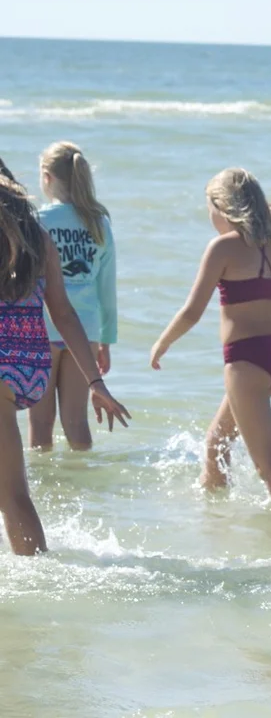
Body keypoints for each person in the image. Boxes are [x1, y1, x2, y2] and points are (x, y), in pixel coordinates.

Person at [150, 168, 271, 504]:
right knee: (216, 444)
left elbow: (192, 311)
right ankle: (217, 520)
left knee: (269, 467)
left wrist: (162, 343)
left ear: (222, 207)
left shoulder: (222, 248)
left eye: (210, 208)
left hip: (245, 363)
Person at [0, 169, 130, 555]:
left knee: (12, 495)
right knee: (13, 493)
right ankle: (35, 572)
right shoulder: (38, 239)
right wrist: (96, 382)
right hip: (29, 370)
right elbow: (64, 314)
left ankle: (39, 577)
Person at [28, 141, 118, 451]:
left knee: (41, 423)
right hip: (86, 331)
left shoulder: (38, 221)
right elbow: (107, 287)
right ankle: (83, 478)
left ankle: (43, 480)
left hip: (42, 328)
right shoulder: (99, 223)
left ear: (47, 177)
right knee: (77, 421)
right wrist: (106, 340)